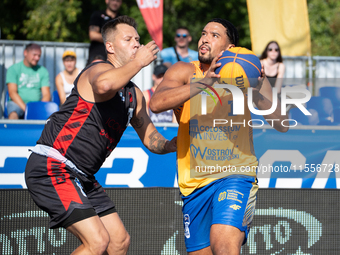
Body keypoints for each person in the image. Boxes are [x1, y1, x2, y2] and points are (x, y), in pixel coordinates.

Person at [25, 16, 176, 255]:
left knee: (119, 242)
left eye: (138, 39)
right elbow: (105, 85)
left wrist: (173, 144)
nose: (136, 44)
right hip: (53, 164)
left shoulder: (135, 95)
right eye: (128, 39)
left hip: (82, 175)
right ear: (110, 47)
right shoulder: (98, 69)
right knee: (97, 242)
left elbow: (151, 139)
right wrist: (139, 63)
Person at [150, 18, 288, 254]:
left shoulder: (248, 72)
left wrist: (256, 91)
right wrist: (203, 83)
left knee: (224, 246)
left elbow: (282, 122)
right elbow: (156, 103)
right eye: (204, 33)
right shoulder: (183, 70)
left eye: (215, 35)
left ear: (230, 48)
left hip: (236, 174)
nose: (205, 38)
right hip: (194, 183)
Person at [6, 43, 50, 119]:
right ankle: (13, 130)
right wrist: (28, 110)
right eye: (34, 55)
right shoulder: (13, 69)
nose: (37, 58)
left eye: (39, 55)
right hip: (17, 104)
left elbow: (46, 94)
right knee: (13, 114)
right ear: (25, 53)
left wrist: (39, 108)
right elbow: (12, 93)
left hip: (35, 105)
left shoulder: (43, 71)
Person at [87, 0, 122, 65]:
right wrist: (114, 40)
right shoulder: (97, 15)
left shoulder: (122, 19)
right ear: (107, 1)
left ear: (121, 2)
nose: (115, 3)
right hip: (98, 55)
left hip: (116, 57)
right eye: (113, 0)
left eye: (118, 1)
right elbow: (93, 35)